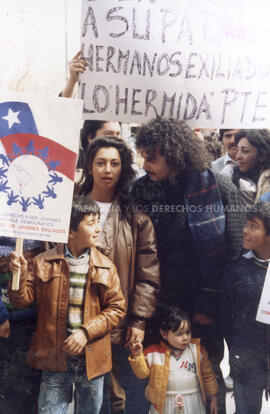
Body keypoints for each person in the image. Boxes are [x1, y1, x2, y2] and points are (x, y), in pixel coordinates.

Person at [132, 117, 245, 414]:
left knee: (206, 378)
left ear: (174, 154)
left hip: (204, 307)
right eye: (143, 157)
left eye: (151, 158)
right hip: (158, 302)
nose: (145, 165)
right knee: (160, 378)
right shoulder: (142, 190)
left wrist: (210, 299)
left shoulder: (219, 188)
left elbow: (234, 251)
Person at [8, 196, 126, 414]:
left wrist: (85, 333)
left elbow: (117, 308)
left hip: (92, 360)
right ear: (70, 230)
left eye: (98, 222)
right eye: (91, 223)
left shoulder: (106, 266)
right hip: (55, 358)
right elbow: (21, 300)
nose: (98, 229)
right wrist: (19, 273)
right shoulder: (42, 261)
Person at [76, 136, 160, 414]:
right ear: (89, 166)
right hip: (75, 323)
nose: (107, 169)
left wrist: (138, 321)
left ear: (124, 168)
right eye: (100, 162)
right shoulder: (69, 211)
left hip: (119, 325)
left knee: (120, 399)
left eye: (115, 163)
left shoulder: (137, 218)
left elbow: (148, 277)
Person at [222, 202, 270, 414]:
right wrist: (237, 353)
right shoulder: (236, 269)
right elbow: (227, 317)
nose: (245, 230)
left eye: (253, 226)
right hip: (247, 360)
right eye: (245, 224)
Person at [128, 303, 218, 414]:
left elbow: (208, 376)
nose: (185, 338)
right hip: (164, 405)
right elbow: (142, 374)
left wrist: (213, 397)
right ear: (164, 334)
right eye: (179, 334)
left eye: (188, 332)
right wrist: (137, 356)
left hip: (193, 402)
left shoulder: (198, 351)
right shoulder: (153, 353)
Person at [0, 237, 44, 414]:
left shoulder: (42, 246)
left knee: (28, 393)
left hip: (35, 323)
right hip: (7, 324)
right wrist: (1, 317)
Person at [221, 129, 270, 206]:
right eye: (238, 150)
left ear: (262, 155)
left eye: (245, 151)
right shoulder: (230, 174)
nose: (238, 156)